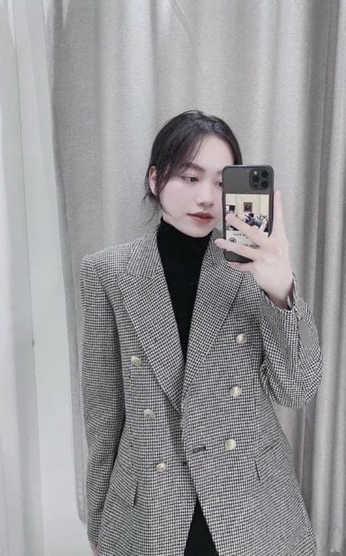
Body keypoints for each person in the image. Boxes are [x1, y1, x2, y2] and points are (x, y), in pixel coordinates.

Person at [80, 110, 323, 556]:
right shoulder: (108, 272)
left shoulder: (254, 267)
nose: (207, 197)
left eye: (220, 182)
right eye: (190, 178)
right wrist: (97, 518)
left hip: (247, 502)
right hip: (151, 506)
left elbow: (297, 389)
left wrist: (281, 290)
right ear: (155, 178)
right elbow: (103, 413)